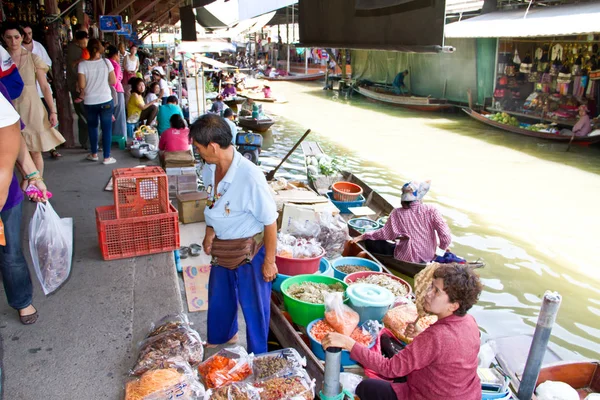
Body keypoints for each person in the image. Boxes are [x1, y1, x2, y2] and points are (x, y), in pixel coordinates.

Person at [321, 263, 483, 400]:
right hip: (467, 394)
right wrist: (420, 336)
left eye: (436, 292)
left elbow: (389, 369)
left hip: (429, 395)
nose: (427, 294)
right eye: (431, 287)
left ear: (453, 305)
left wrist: (348, 343)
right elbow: (447, 354)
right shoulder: (470, 322)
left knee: (366, 387)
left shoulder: (436, 336)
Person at [190, 114, 278, 354]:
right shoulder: (211, 167)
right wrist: (210, 232)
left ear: (214, 146)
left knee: (254, 307)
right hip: (223, 247)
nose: (197, 152)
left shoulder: (250, 177)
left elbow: (271, 222)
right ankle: (224, 335)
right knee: (220, 296)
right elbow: (213, 201)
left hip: (250, 251)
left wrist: (270, 261)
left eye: (198, 147)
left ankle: (258, 355)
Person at [0, 79, 48, 325]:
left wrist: (32, 175)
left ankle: (21, 300)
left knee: (11, 252)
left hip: (4, 196)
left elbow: (12, 135)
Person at [2, 22, 65, 177]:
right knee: (13, 151)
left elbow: (44, 87)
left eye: (17, 37)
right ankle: (26, 179)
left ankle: (37, 183)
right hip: (7, 106)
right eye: (9, 38)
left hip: (32, 106)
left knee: (35, 150)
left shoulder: (33, 58)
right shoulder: (2, 59)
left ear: (22, 37)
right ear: (3, 38)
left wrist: (53, 111)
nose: (13, 41)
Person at [353, 181, 452, 264]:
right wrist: (440, 249)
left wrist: (364, 236)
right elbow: (446, 237)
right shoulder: (431, 210)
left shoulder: (398, 213)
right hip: (429, 256)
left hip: (408, 258)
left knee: (372, 241)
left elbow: (385, 234)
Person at [21, 22, 62, 160]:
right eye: (25, 34)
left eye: (30, 33)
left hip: (40, 89)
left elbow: (47, 64)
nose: (27, 36)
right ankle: (29, 148)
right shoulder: (15, 51)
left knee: (47, 120)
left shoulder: (38, 47)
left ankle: (52, 147)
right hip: (25, 95)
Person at [77, 38, 117, 165]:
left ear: (88, 49)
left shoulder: (82, 64)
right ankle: (107, 157)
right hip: (105, 99)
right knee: (106, 129)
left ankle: (94, 154)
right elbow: (113, 81)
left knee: (93, 127)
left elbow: (82, 85)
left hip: (90, 101)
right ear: (100, 49)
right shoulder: (106, 63)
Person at [66, 29, 90, 149]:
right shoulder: (73, 50)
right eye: (81, 43)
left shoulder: (86, 49)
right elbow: (74, 69)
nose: (83, 45)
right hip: (77, 87)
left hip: (86, 87)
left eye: (85, 43)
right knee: (83, 114)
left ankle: (88, 141)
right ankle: (86, 142)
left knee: (87, 114)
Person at [105, 45, 126, 139]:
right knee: (119, 115)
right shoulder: (115, 65)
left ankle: (109, 136)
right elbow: (115, 81)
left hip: (106, 91)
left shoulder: (104, 63)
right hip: (116, 91)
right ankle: (119, 135)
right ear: (116, 55)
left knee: (109, 114)